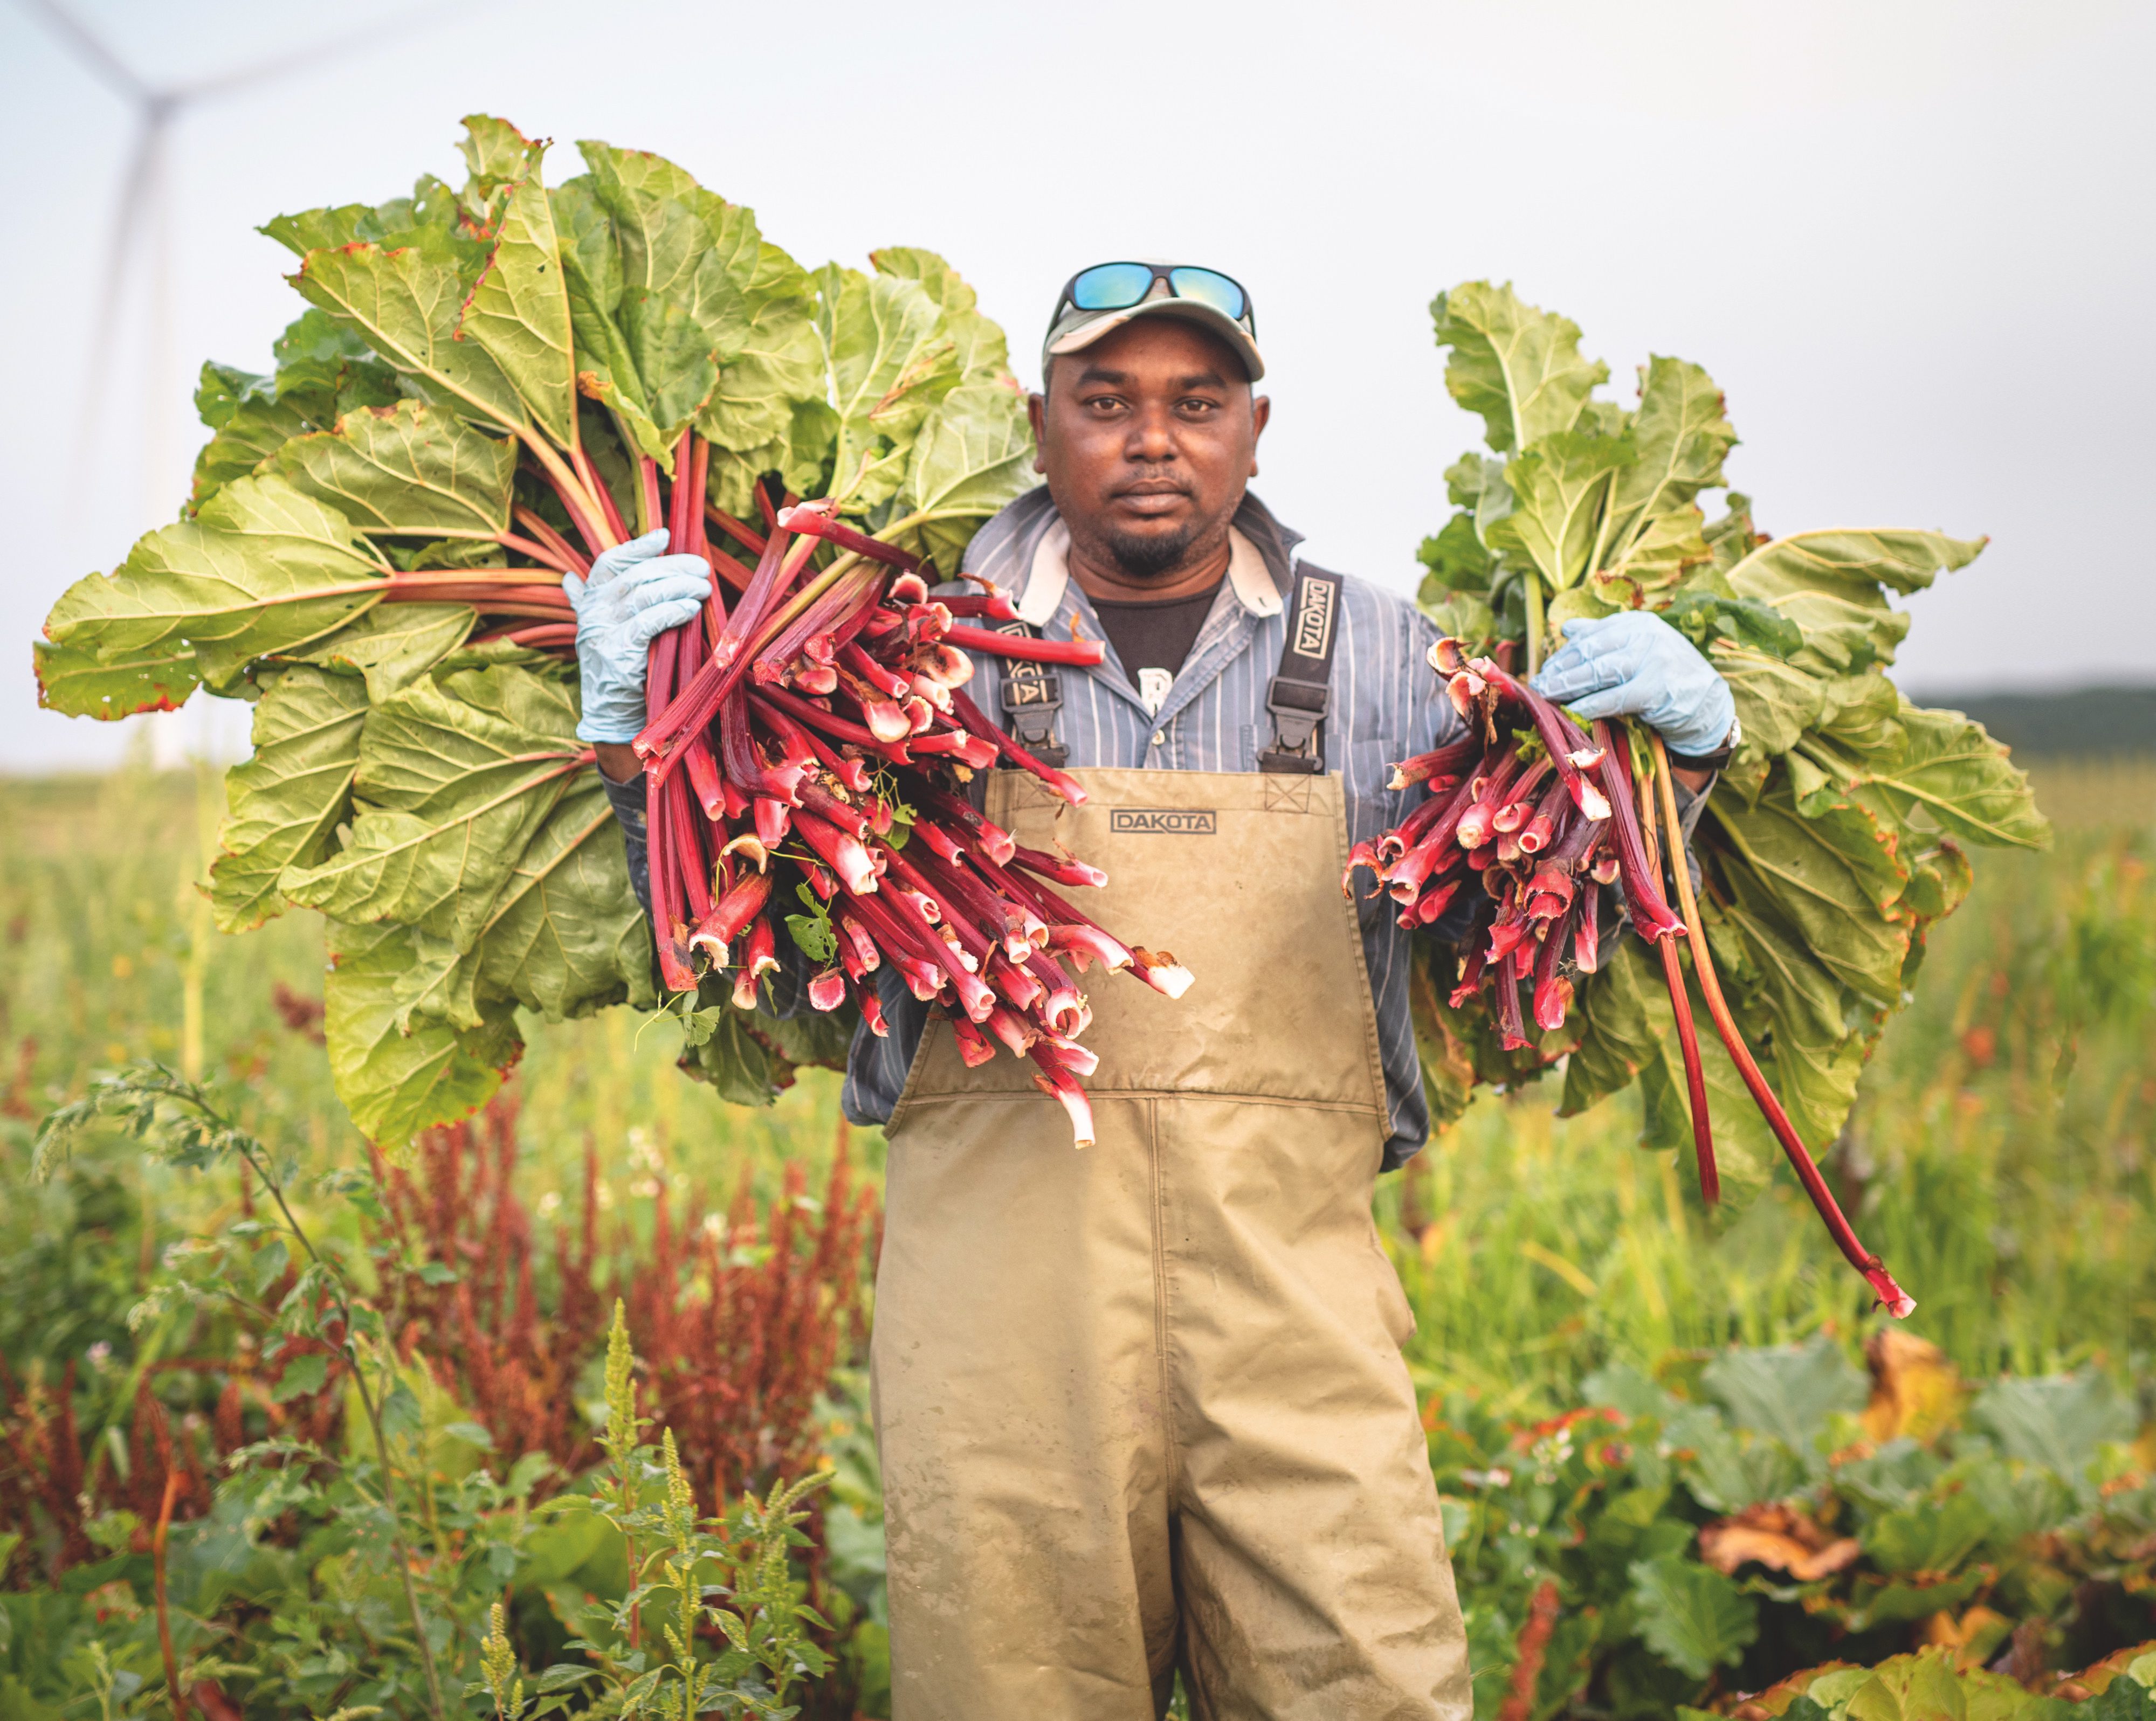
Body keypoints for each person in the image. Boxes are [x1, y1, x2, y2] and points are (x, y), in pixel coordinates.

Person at [570, 261, 1737, 1720]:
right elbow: (789, 989)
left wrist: (1668, 776)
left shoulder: (1393, 656)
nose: (1151, 438)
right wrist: (639, 748)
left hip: (1296, 1326)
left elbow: (1525, 952)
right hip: (1004, 1356)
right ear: (1039, 422)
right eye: (1105, 400)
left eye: (1196, 402)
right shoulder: (891, 650)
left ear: (1255, 426)